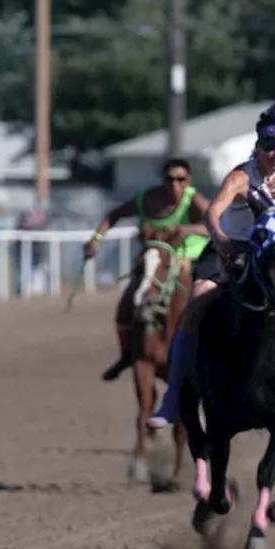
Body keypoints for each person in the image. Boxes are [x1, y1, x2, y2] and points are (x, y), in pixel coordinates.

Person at [145, 99, 275, 440]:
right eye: (270, 144)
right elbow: (212, 213)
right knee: (194, 307)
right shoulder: (241, 177)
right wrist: (222, 240)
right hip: (232, 248)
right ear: (258, 144)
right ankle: (171, 399)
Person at [86, 158, 211, 381]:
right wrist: (96, 239)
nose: (175, 185)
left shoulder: (195, 201)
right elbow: (114, 215)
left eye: (181, 180)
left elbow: (215, 222)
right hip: (152, 263)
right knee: (127, 304)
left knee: (207, 303)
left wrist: (185, 229)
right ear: (162, 180)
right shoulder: (147, 199)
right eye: (170, 179)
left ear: (189, 180)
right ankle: (126, 354)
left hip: (187, 262)